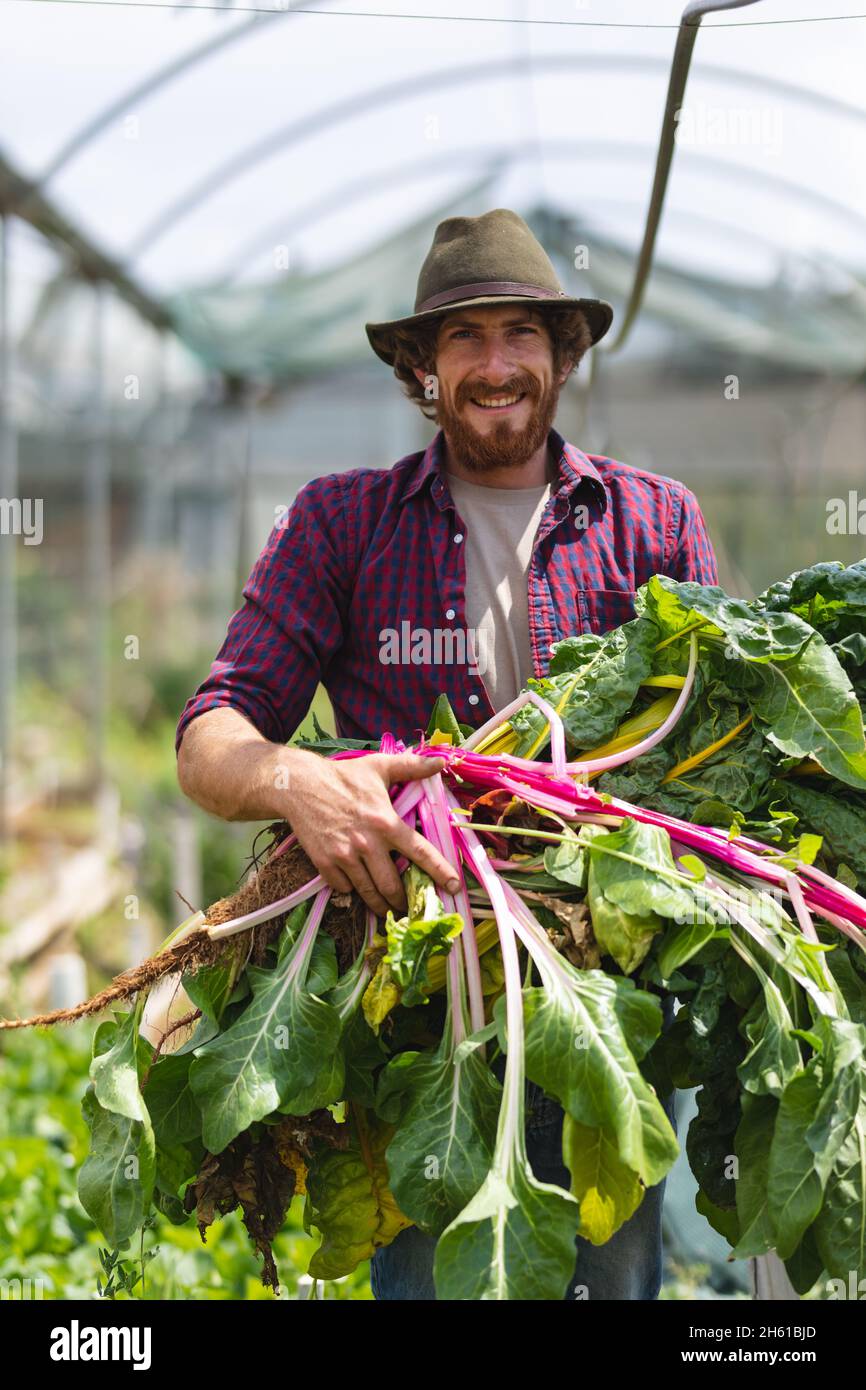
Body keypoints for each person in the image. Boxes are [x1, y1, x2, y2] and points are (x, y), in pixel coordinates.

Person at [175, 207, 718, 1300]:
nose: (494, 364)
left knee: (608, 1284)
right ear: (420, 369)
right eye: (461, 339)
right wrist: (301, 782)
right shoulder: (339, 525)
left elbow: (712, 755)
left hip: (605, 1003)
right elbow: (212, 731)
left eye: (521, 333)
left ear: (562, 356)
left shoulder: (652, 523)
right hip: (422, 1020)